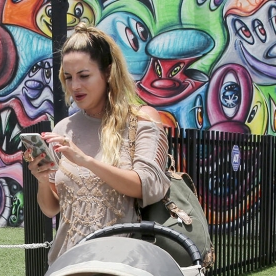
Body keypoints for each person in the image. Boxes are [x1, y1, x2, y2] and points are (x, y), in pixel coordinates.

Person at [26, 22, 169, 263]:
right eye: (68, 77)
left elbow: (147, 186)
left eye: (84, 76)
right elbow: (51, 208)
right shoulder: (63, 128)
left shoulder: (142, 120)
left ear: (108, 72)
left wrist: (86, 161)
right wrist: (42, 180)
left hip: (123, 267)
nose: (75, 86)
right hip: (67, 269)